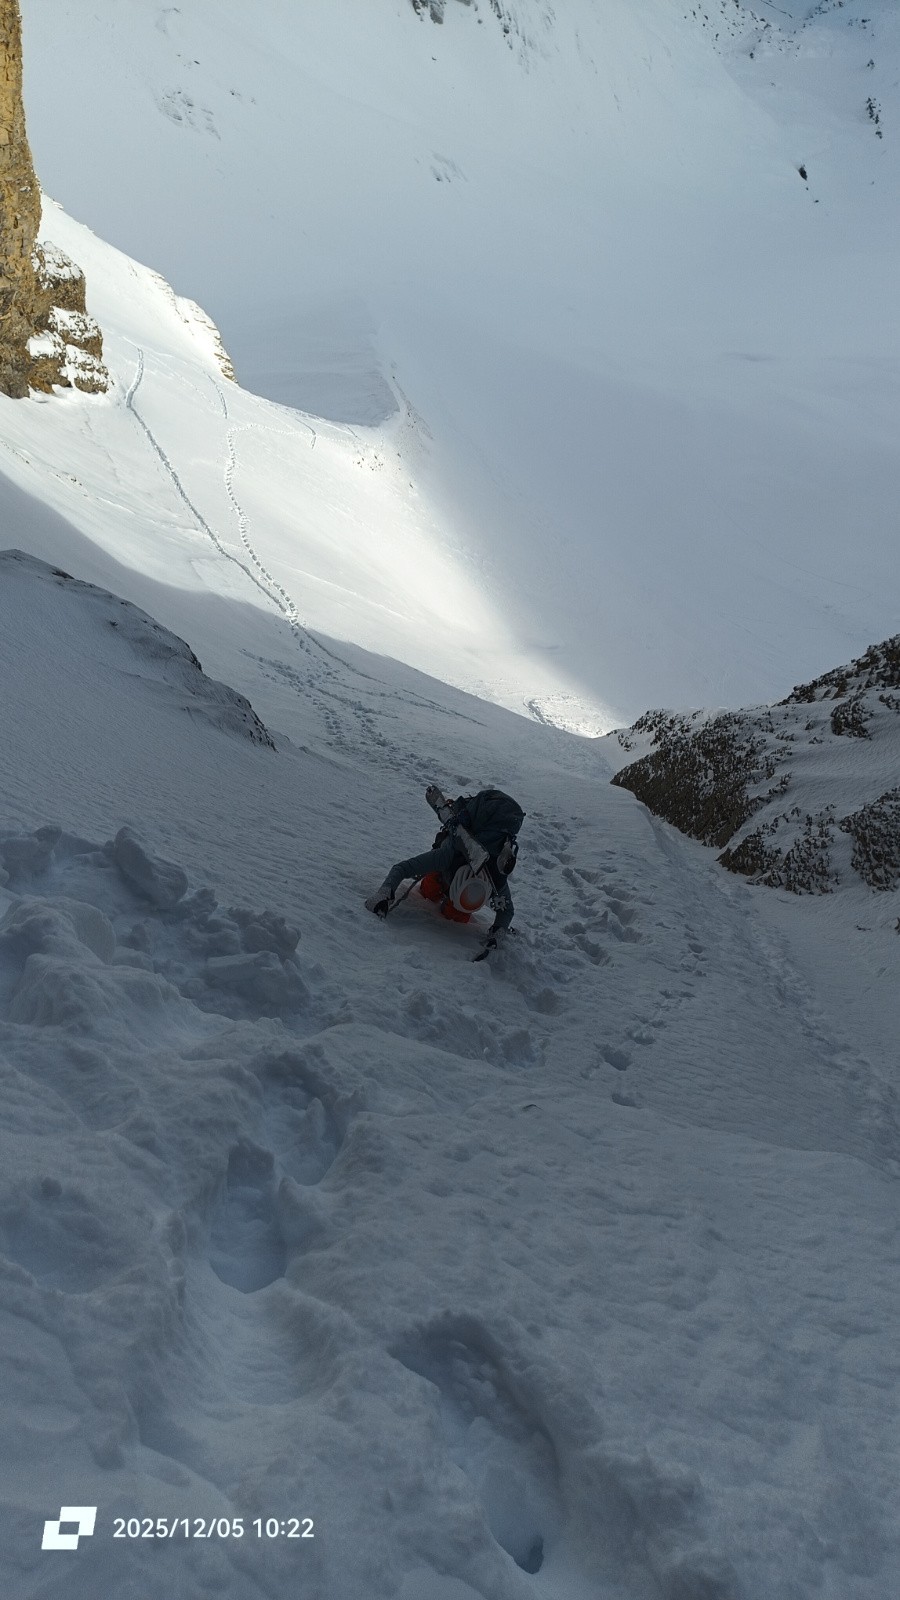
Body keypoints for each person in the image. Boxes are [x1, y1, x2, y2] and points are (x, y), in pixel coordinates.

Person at [365, 786, 525, 947]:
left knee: (456, 915)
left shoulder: (495, 876)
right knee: (429, 890)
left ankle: (455, 904)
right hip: (445, 869)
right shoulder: (449, 856)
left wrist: (498, 932)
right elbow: (403, 868)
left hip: (460, 871)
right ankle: (440, 885)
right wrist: (384, 894)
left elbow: (506, 911)